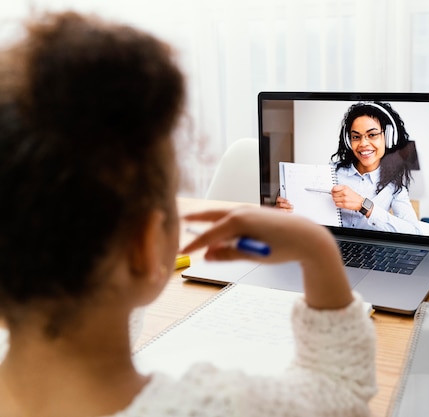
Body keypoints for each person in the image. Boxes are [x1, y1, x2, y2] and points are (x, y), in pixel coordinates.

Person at [0, 11, 376, 417]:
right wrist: (315, 246)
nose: (363, 142)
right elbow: (341, 391)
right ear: (145, 245)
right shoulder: (215, 407)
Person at [276, 101, 421, 234]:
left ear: (389, 138)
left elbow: (414, 231)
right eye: (356, 137)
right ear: (348, 140)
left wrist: (364, 205)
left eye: (372, 135)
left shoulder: (395, 184)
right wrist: (282, 212)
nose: (363, 143)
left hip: (369, 253)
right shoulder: (331, 173)